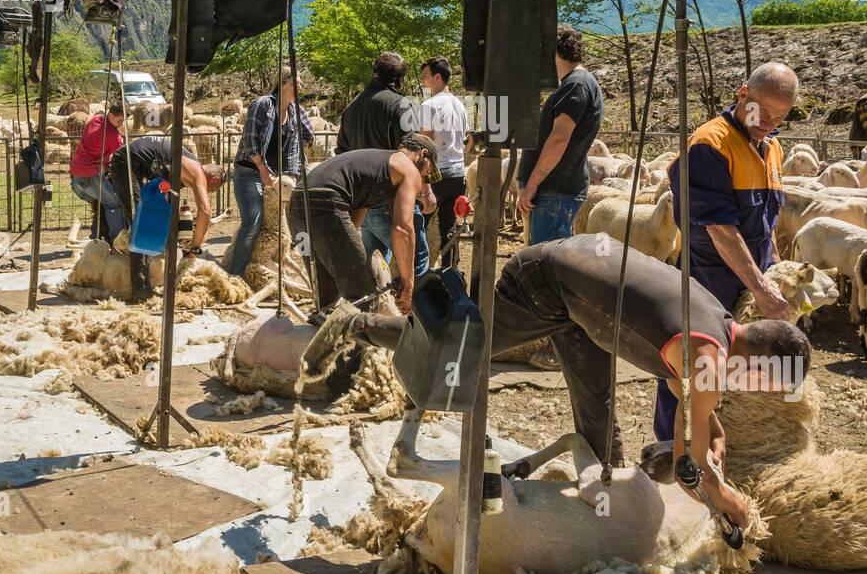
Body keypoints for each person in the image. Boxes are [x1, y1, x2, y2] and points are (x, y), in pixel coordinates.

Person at [344, 234, 812, 528]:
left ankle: (601, 493)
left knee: (598, 406)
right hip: (546, 282)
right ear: (761, 365)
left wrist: (715, 437)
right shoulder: (711, 356)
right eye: (765, 385)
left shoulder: (718, 322)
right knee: (464, 345)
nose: (753, 390)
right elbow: (693, 450)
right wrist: (727, 498)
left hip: (582, 299)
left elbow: (683, 394)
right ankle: (358, 324)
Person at [657, 61, 798, 442]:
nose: (769, 122)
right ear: (742, 95)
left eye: (780, 116)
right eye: (763, 111)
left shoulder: (771, 147)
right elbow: (719, 227)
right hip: (709, 278)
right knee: (691, 364)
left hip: (750, 276)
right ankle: (673, 446)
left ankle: (722, 445)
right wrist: (763, 290)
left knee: (736, 372)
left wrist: (775, 270)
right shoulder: (710, 144)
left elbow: (766, 220)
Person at [289, 134, 441, 316]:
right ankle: (364, 344)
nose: (424, 179)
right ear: (423, 155)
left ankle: (323, 337)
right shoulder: (409, 169)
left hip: (296, 205)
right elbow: (403, 229)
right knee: (365, 296)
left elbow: (355, 216)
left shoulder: (375, 167)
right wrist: (408, 283)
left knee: (327, 296)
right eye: (428, 172)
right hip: (326, 205)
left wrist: (347, 255)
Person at [336, 51, 434, 274]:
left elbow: (341, 153)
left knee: (374, 269)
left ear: (374, 73)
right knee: (416, 263)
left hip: (361, 204)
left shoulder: (351, 108)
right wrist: (426, 189)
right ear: (399, 79)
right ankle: (413, 308)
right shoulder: (401, 105)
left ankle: (372, 308)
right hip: (392, 200)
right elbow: (413, 155)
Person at [106, 135, 227, 302]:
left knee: (155, 216)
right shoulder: (196, 172)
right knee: (141, 223)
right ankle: (140, 289)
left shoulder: (182, 168)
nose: (210, 192)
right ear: (214, 179)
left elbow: (166, 202)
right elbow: (205, 211)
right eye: (213, 189)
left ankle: (156, 276)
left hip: (138, 164)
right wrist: (196, 245)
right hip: (125, 162)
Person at [516, 26, 603, 241]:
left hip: (556, 192)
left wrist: (532, 185)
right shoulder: (573, 84)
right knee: (546, 262)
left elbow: (559, 139)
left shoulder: (577, 85)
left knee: (546, 265)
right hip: (555, 192)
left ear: (555, 51)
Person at [227, 65, 313, 276]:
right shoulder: (263, 104)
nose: (301, 85)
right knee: (254, 220)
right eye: (297, 81)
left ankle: (268, 267)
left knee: (279, 225)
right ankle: (235, 274)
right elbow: (249, 139)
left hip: (276, 176)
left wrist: (291, 175)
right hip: (251, 171)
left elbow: (301, 141)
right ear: (285, 83)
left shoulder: (296, 110)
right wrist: (262, 168)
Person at [418, 56, 469, 262]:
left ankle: (418, 274)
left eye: (425, 76)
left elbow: (425, 147)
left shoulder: (429, 105)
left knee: (418, 224)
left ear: (437, 77)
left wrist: (422, 181)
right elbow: (465, 141)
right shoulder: (461, 106)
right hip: (458, 174)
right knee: (449, 228)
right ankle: (451, 273)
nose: (422, 81)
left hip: (437, 174)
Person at [69, 105, 127, 241]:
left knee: (99, 202)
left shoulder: (94, 119)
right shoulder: (115, 137)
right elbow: (115, 161)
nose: (121, 124)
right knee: (114, 203)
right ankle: (117, 241)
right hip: (90, 175)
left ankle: (95, 236)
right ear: (111, 115)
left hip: (75, 176)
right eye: (119, 121)